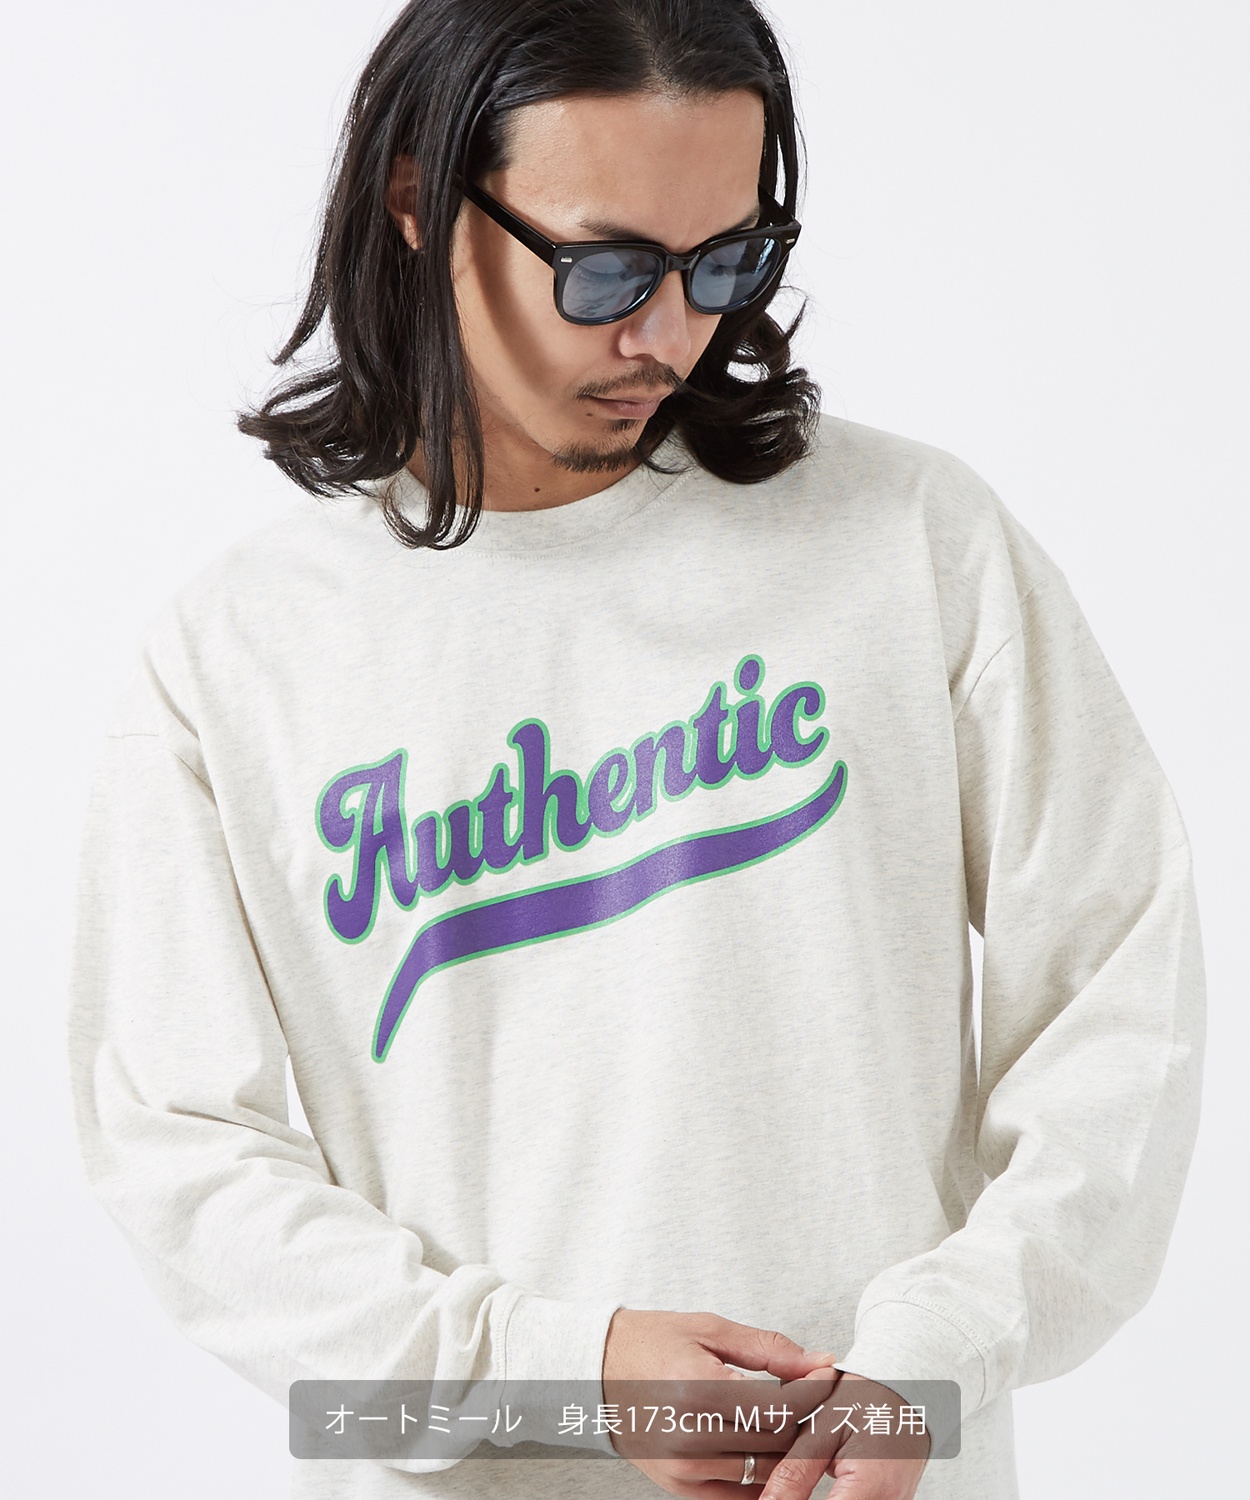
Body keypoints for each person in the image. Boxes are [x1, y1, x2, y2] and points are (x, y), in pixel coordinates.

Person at [66, 1, 1205, 1498]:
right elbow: (180, 1157)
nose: (667, 334)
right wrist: (556, 1374)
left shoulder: (911, 543)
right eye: (603, 269)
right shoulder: (239, 653)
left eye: (724, 262)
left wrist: (940, 1351)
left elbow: (1119, 988)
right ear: (417, 201)